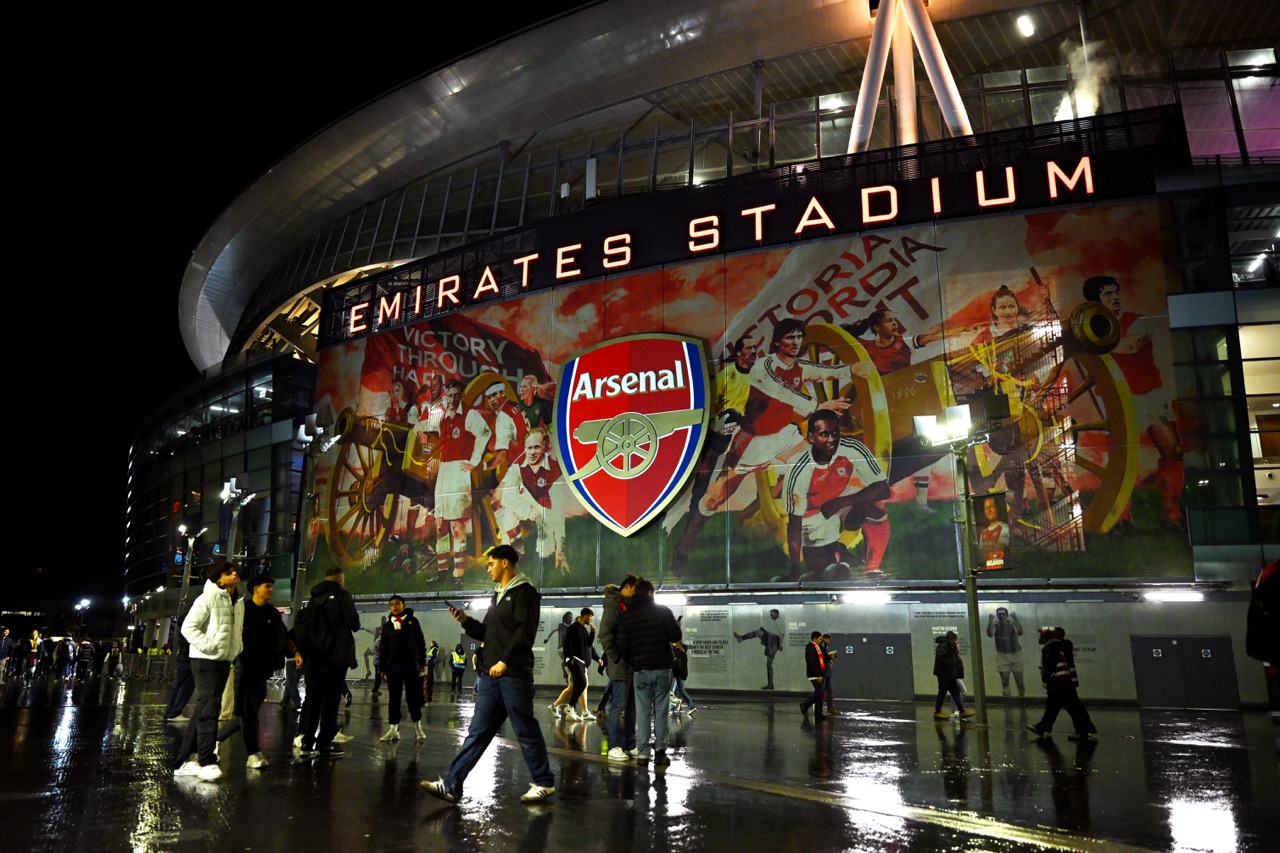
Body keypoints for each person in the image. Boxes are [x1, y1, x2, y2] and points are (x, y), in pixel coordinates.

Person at [421, 544, 556, 805]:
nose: (488, 568)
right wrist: (464, 621)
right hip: (490, 677)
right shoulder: (498, 595)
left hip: (513, 675)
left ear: (505, 563)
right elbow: (487, 634)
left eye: (491, 563)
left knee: (525, 729)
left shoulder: (524, 593)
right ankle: (451, 784)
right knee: (477, 733)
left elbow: (524, 632)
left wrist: (505, 661)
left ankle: (544, 783)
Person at [1082, 274, 1184, 534]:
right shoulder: (1092, 329)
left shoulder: (1136, 321)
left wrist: (1091, 341)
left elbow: (1130, 346)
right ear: (1096, 302)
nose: (1115, 298)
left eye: (1116, 292)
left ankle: (1171, 514)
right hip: (1117, 398)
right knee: (1122, 461)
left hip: (1150, 394)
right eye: (1107, 294)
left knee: (1172, 452)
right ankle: (1122, 520)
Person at [670, 334, 760, 574]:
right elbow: (707, 402)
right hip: (718, 433)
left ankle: (688, 538)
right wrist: (717, 425)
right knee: (703, 482)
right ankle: (686, 538)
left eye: (755, 347)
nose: (753, 351)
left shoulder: (760, 375)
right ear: (740, 352)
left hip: (743, 434)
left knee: (719, 485)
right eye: (748, 347)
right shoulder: (727, 376)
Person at [784, 410, 891, 580]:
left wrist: (841, 502)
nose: (832, 439)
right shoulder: (799, 467)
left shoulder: (851, 448)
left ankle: (872, 568)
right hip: (813, 519)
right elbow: (795, 524)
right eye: (824, 434)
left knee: (875, 502)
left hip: (839, 502)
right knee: (821, 575)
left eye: (835, 433)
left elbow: (883, 489)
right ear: (811, 438)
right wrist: (794, 571)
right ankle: (837, 553)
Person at [173, 562, 244, 782]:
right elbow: (188, 628)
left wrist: (235, 649)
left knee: (206, 706)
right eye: (228, 572)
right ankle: (206, 760)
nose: (234, 574)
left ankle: (184, 760)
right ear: (218, 579)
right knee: (211, 706)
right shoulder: (208, 598)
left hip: (224, 659)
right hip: (205, 660)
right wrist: (210, 646)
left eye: (234, 571)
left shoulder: (237, 601)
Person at [422, 379, 492, 586]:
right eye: (449, 395)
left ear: (461, 396)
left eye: (456, 395)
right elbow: (428, 438)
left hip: (459, 471)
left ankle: (458, 575)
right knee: (440, 524)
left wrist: (474, 460)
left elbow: (484, 433)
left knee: (457, 526)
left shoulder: (469, 415)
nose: (453, 399)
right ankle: (442, 571)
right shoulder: (442, 418)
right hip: (444, 471)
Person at [218, 572, 289, 769]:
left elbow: (282, 636)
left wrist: (295, 651)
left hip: (264, 670)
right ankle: (253, 753)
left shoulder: (273, 614)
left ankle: (212, 740)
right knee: (247, 712)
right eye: (267, 585)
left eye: (271, 586)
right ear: (255, 589)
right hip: (245, 666)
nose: (270, 589)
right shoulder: (243, 610)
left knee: (246, 712)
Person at [296, 566, 360, 758]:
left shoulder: (313, 599)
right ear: (340, 579)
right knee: (331, 701)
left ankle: (307, 742)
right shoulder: (342, 596)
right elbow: (353, 623)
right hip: (335, 657)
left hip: (314, 657)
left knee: (312, 699)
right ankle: (324, 744)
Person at [617, 578, 682, 767]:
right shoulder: (663, 611)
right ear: (651, 593)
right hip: (662, 668)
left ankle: (643, 755)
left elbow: (622, 646)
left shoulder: (627, 616)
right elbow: (676, 637)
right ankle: (660, 753)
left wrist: (634, 661)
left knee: (642, 713)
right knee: (661, 710)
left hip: (640, 669)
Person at [493, 428, 569, 572]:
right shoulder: (517, 467)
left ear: (543, 446)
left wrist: (561, 551)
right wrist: (528, 511)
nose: (532, 452)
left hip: (546, 507)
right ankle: (517, 549)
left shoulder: (554, 469)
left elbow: (558, 513)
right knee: (506, 512)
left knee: (544, 551)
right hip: (527, 503)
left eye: (536, 447)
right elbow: (507, 496)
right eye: (529, 448)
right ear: (524, 448)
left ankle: (548, 557)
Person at [1027, 627, 1097, 741]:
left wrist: (1045, 677)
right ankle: (1044, 728)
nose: (1039, 638)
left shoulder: (1052, 647)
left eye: (1041, 636)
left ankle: (1082, 730)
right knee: (1057, 708)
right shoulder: (1061, 646)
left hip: (1059, 684)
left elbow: (1049, 666)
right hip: (1065, 682)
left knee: (1070, 708)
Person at [377, 594, 428, 742]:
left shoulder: (413, 622)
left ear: (403, 605)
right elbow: (383, 648)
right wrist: (382, 668)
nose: (394, 606)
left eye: (397, 604)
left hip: (411, 665)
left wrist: (421, 662)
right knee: (394, 698)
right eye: (392, 604)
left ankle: (418, 727)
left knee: (413, 697)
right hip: (392, 667)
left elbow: (421, 643)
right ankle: (393, 729)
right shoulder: (387, 626)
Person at [600, 574, 639, 762]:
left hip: (632, 666)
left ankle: (630, 744)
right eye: (636, 589)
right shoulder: (614, 605)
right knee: (618, 706)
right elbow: (605, 635)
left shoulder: (629, 606)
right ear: (629, 587)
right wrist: (615, 658)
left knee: (632, 707)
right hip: (621, 666)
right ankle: (614, 746)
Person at [549, 607, 596, 721]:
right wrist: (569, 659)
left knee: (578, 685)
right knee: (581, 684)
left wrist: (593, 632)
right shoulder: (573, 628)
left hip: (581, 662)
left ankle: (566, 708)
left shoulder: (583, 629)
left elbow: (589, 644)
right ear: (585, 615)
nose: (591, 620)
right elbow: (566, 644)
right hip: (575, 661)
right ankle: (571, 708)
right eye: (590, 617)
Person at [734, 608, 784, 689]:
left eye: (772, 614)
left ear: (777, 614)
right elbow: (778, 634)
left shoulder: (780, 622)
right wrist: (779, 645)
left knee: (769, 663)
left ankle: (770, 684)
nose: (771, 616)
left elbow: (780, 635)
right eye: (770, 615)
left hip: (773, 641)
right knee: (769, 664)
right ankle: (770, 684)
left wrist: (779, 645)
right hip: (772, 641)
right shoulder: (777, 622)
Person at [933, 631, 975, 720]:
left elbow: (955, 657)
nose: (956, 641)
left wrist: (955, 649)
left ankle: (961, 710)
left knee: (955, 692)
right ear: (950, 639)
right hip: (944, 674)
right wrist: (949, 665)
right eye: (954, 640)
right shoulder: (943, 646)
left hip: (950, 674)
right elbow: (940, 657)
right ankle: (937, 711)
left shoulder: (950, 647)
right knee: (942, 692)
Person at [986, 606, 1026, 697]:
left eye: (1003, 614)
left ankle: (1022, 699)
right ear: (997, 615)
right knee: (1005, 681)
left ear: (1007, 615)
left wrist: (1015, 618)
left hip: (1015, 654)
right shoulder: (995, 625)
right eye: (999, 614)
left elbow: (1020, 632)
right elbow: (989, 634)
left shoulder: (1012, 624)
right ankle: (1007, 701)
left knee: (1019, 681)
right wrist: (990, 620)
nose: (1001, 616)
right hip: (1002, 655)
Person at [798, 631, 827, 721]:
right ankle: (804, 705)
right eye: (819, 639)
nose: (820, 641)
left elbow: (821, 659)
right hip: (814, 674)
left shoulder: (817, 648)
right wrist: (818, 675)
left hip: (818, 674)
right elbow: (812, 663)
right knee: (819, 692)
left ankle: (818, 713)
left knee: (820, 693)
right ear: (814, 638)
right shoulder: (811, 648)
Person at [977, 496, 1011, 570]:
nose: (989, 511)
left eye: (991, 506)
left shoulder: (1004, 528)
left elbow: (998, 552)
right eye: (986, 508)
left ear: (997, 509)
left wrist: (986, 555)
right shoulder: (983, 533)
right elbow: (980, 557)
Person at [670, 638, 696, 715]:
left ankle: (691, 706)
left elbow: (676, 663)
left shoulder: (678, 651)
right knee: (674, 691)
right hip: (681, 673)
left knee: (681, 690)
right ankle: (672, 707)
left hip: (678, 673)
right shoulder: (683, 651)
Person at [820, 633, 839, 716]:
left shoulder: (826, 646)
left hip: (827, 672)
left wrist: (830, 659)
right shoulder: (822, 646)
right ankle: (820, 708)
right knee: (821, 691)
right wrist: (829, 657)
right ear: (826, 639)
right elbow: (822, 657)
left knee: (829, 690)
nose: (829, 642)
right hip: (824, 672)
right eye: (829, 640)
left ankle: (830, 708)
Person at [424, 639, 440, 703]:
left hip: (431, 663)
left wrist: (429, 662)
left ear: (433, 644)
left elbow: (433, 656)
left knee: (430, 674)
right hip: (430, 662)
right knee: (429, 673)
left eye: (431, 643)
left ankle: (430, 684)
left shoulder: (434, 649)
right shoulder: (432, 649)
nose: (429, 644)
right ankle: (430, 683)